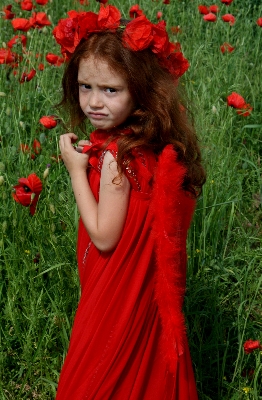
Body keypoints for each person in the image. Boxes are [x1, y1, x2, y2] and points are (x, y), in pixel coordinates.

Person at [54, 5, 205, 399]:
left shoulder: (115, 156)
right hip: (141, 290)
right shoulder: (150, 147)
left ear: (139, 90)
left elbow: (104, 236)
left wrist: (75, 169)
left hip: (115, 287)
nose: (94, 102)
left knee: (95, 371)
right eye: (86, 87)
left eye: (110, 90)